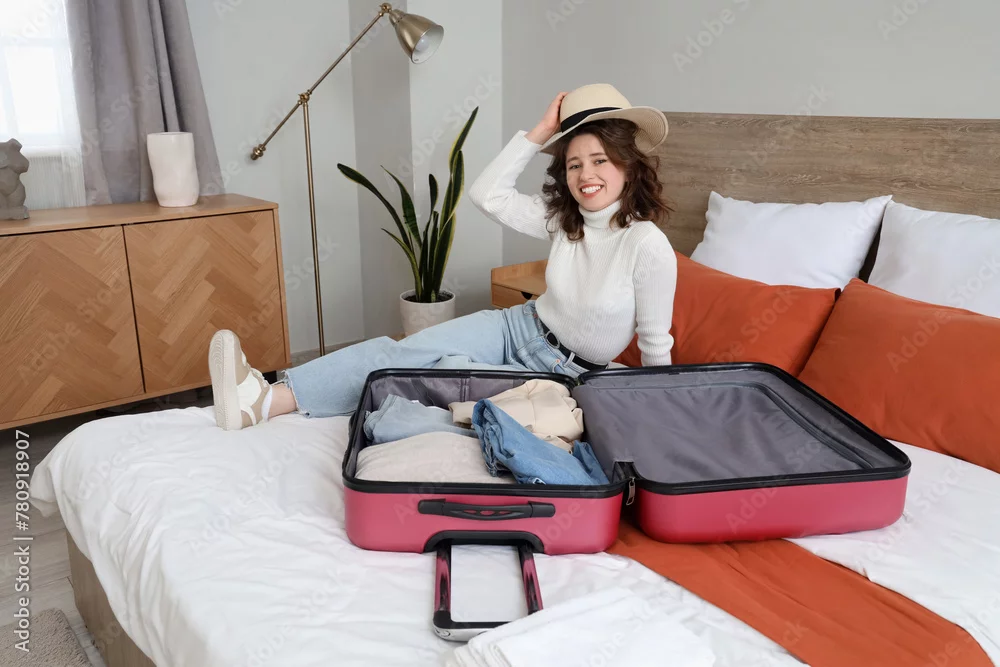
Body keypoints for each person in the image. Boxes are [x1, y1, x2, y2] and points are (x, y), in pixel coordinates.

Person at [207, 83, 678, 431]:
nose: (585, 175)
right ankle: (267, 400)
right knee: (401, 350)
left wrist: (671, 417)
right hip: (518, 326)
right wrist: (539, 133)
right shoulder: (564, 219)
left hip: (560, 374)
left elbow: (656, 346)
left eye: (600, 160)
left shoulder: (646, 245)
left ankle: (290, 403)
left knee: (434, 378)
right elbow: (487, 195)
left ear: (627, 164)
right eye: (574, 163)